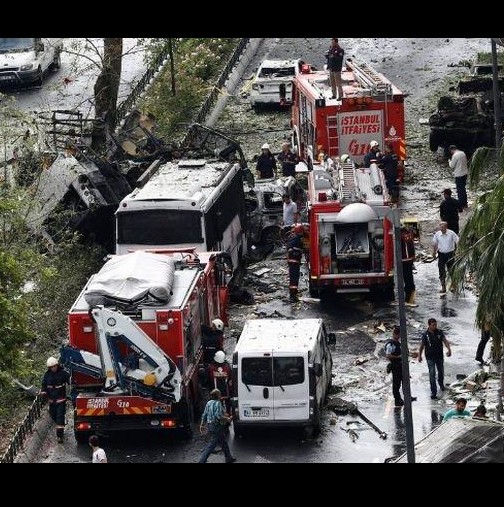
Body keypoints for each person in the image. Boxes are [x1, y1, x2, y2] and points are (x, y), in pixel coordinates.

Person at [198, 389, 236, 463]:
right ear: (218, 396)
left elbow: (204, 415)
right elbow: (218, 416)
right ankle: (202, 461)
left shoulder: (208, 403)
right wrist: (228, 419)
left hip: (210, 426)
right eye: (220, 394)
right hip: (217, 426)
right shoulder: (218, 403)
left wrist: (202, 424)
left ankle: (228, 458)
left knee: (223, 442)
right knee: (211, 445)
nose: (220, 395)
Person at [418, 318, 452, 400]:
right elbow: (422, 346)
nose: (434, 327)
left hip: (439, 356)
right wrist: (419, 355)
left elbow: (445, 341)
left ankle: (441, 384)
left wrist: (449, 349)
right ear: (429, 325)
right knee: (432, 374)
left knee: (441, 372)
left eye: (435, 325)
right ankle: (433, 392)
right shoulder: (425, 335)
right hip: (430, 357)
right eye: (433, 325)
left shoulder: (439, 332)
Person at [40, 356, 71, 443]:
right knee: (53, 416)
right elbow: (44, 386)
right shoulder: (47, 375)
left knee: (60, 417)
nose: (53, 368)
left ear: (57, 365)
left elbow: (70, 381)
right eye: (51, 367)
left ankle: (59, 436)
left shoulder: (63, 373)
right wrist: (43, 392)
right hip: (51, 400)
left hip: (61, 400)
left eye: (54, 366)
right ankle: (60, 424)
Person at [432, 221, 459, 294]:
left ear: (446, 227)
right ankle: (443, 287)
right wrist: (434, 253)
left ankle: (453, 285)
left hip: (450, 254)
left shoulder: (451, 233)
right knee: (441, 271)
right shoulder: (437, 234)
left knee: (451, 270)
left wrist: (458, 251)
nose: (441, 228)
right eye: (440, 227)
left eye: (443, 227)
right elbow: (435, 243)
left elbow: (457, 241)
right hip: (441, 255)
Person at [385, 326, 405, 407]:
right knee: (396, 384)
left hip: (401, 365)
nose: (398, 337)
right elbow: (388, 355)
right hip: (395, 366)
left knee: (403, 382)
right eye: (397, 335)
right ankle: (397, 399)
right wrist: (398, 357)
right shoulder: (390, 345)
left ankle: (404, 397)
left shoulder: (399, 343)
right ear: (394, 334)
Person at [286, 224, 305, 302]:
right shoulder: (297, 238)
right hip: (294, 261)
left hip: (292, 261)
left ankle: (293, 294)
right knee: (294, 278)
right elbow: (293, 249)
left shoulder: (292, 237)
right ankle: (293, 296)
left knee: (293, 278)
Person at [448, 145, 468, 209]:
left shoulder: (455, 155)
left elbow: (452, 166)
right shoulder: (462, 153)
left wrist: (449, 161)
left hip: (459, 174)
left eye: (451, 152)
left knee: (459, 190)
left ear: (451, 150)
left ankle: (461, 204)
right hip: (465, 173)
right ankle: (465, 203)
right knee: (463, 189)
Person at [401, 226, 417, 306]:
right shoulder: (409, 234)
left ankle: (408, 296)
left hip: (404, 260)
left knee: (407, 278)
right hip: (409, 259)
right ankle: (411, 292)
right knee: (409, 277)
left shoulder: (402, 236)